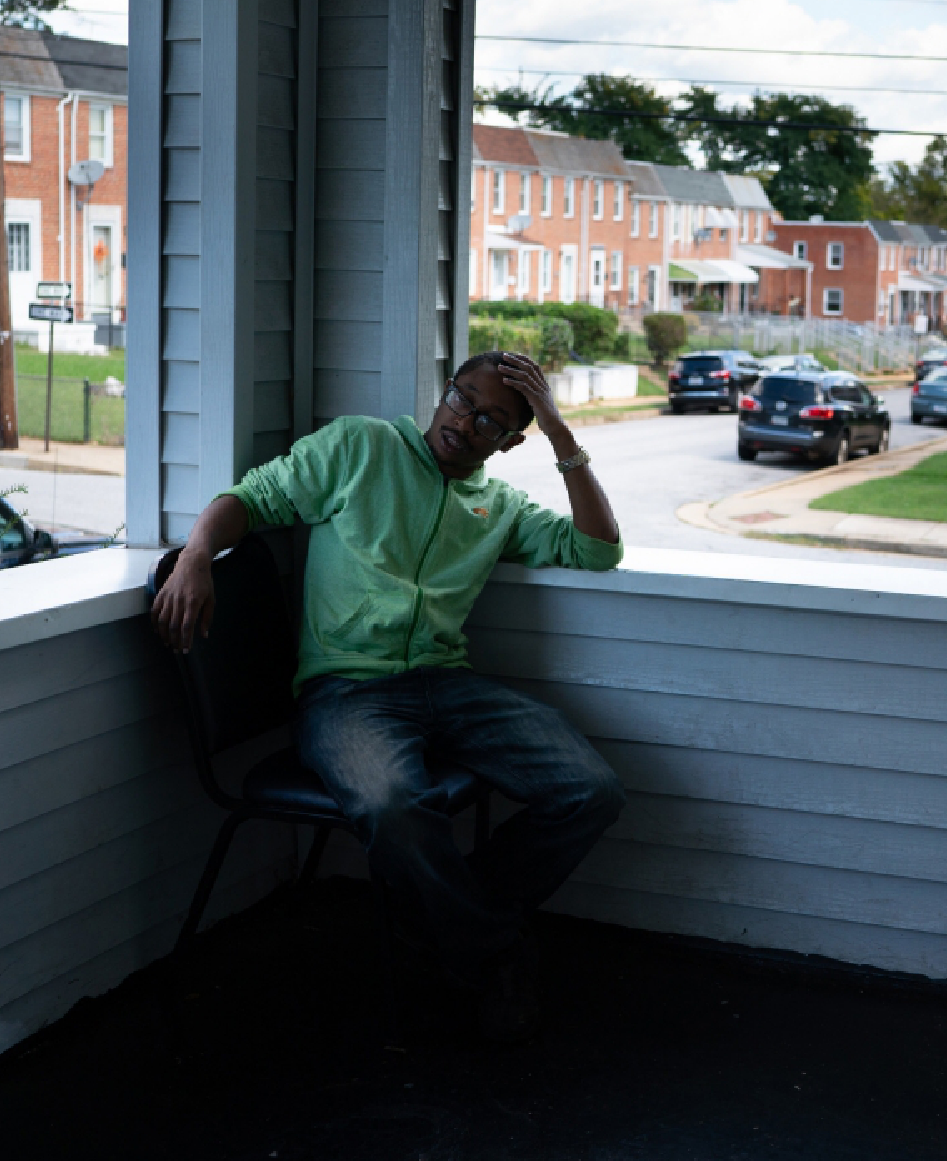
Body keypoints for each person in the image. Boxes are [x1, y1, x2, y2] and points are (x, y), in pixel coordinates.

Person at [151, 350, 625, 1041]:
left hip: (450, 686)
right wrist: (196, 554)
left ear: (511, 441)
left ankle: (442, 921)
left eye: (491, 419)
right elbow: (252, 499)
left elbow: (599, 548)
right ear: (444, 391)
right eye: (462, 399)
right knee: (393, 803)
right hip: (346, 694)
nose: (464, 421)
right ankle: (492, 947)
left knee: (593, 789)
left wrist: (561, 435)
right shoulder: (360, 447)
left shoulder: (500, 507)